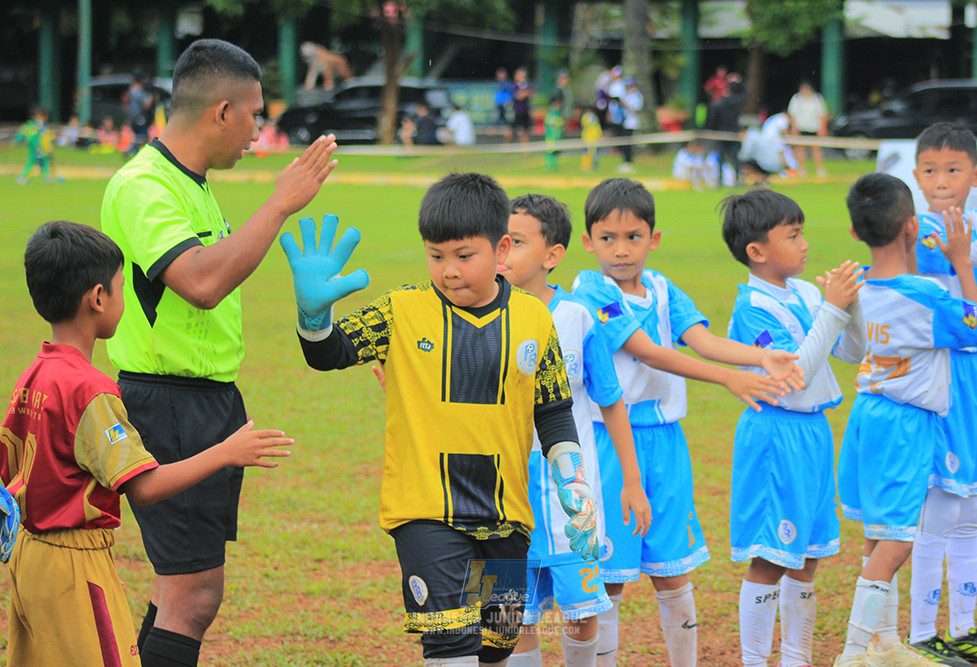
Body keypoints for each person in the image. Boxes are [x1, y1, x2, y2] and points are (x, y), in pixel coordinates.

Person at [281, 173, 602, 666]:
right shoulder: (401, 310)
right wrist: (312, 316)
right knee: (450, 640)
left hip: (505, 513)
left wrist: (574, 489)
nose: (449, 270)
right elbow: (330, 354)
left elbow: (554, 411)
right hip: (425, 509)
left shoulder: (535, 318)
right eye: (436, 256)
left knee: (496, 643)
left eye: (463, 255)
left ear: (500, 249)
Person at [100, 38, 338, 667]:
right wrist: (282, 202)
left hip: (202, 403)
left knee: (183, 588)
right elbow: (202, 283)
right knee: (194, 595)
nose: (260, 131)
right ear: (223, 111)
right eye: (256, 114)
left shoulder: (193, 186)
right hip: (168, 406)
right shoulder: (143, 185)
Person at [1, 221, 292, 666]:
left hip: (27, 557)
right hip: (73, 566)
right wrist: (226, 452)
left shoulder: (33, 374)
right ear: (98, 298)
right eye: (122, 286)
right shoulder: (91, 391)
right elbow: (143, 486)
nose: (124, 296)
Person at [570, 178, 805, 667]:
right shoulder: (591, 289)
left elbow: (701, 338)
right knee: (609, 570)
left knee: (672, 568)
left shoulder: (660, 286)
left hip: (667, 443)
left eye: (633, 237)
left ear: (653, 239)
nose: (620, 250)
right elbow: (649, 353)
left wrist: (762, 359)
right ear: (588, 242)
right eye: (607, 239)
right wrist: (728, 380)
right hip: (612, 442)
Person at [833, 173, 977, 667]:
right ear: (911, 227)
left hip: (866, 415)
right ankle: (855, 653)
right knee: (898, 539)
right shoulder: (929, 295)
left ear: (856, 232)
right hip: (905, 425)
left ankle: (884, 643)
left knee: (879, 532)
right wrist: (962, 262)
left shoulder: (852, 284)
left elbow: (846, 347)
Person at [499, 194, 651, 667]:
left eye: (516, 242)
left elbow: (611, 402)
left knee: (581, 612)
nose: (501, 253)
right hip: (501, 498)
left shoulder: (576, 318)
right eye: (497, 242)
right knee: (509, 617)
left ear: (552, 255)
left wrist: (631, 480)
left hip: (573, 501)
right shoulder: (479, 317)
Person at [720, 190, 866, 667]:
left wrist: (850, 307)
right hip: (775, 434)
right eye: (793, 234)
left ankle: (797, 658)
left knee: (807, 555)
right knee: (770, 557)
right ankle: (756, 660)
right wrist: (833, 308)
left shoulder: (804, 293)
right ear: (757, 251)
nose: (805, 244)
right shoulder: (752, 309)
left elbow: (851, 353)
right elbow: (792, 376)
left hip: (814, 434)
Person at [907, 122, 977, 665]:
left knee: (972, 510)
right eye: (930, 170)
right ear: (915, 175)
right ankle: (923, 635)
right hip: (937, 384)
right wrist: (960, 248)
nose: (941, 181)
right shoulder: (913, 230)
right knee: (938, 512)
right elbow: (973, 256)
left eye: (954, 170)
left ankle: (963, 626)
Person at [706, 75, 746, 189]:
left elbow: (712, 120)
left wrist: (712, 130)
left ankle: (720, 181)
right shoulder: (736, 103)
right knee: (735, 157)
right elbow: (745, 93)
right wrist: (739, 82)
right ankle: (739, 180)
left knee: (721, 157)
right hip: (733, 133)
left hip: (721, 134)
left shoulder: (718, 104)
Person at [787, 81, 829, 177]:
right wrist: (794, 128)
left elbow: (822, 114)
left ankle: (819, 169)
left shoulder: (817, 98)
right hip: (801, 127)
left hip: (814, 127)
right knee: (801, 148)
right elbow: (792, 115)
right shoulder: (797, 99)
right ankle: (802, 169)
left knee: (816, 148)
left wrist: (822, 128)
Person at [15, 106, 59, 184]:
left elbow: (23, 133)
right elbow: (35, 135)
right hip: (37, 146)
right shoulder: (34, 125)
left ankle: (45, 177)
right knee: (35, 161)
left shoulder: (32, 124)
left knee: (43, 161)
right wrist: (38, 146)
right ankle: (23, 177)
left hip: (38, 145)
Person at [616, 78, 643, 173]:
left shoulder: (636, 96)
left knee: (628, 143)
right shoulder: (627, 95)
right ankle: (625, 162)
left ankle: (629, 163)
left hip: (631, 123)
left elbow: (636, 110)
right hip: (625, 122)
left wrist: (625, 104)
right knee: (624, 143)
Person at [124, 75, 153, 157]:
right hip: (139, 117)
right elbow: (146, 105)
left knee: (137, 136)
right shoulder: (140, 92)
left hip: (132, 117)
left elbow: (126, 105)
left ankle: (135, 152)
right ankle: (130, 150)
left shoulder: (131, 91)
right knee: (143, 136)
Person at [509, 67, 534, 144]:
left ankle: (525, 151)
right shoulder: (514, 86)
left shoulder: (525, 85)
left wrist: (526, 93)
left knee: (525, 132)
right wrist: (526, 93)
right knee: (512, 131)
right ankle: (506, 147)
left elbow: (532, 93)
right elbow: (519, 96)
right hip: (518, 112)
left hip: (525, 111)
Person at [543, 93, 564, 171]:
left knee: (555, 152)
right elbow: (551, 124)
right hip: (551, 136)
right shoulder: (551, 114)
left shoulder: (558, 113)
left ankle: (554, 166)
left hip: (557, 136)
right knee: (550, 152)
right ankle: (548, 166)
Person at [580, 106, 603, 172]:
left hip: (595, 137)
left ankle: (594, 166)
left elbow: (597, 127)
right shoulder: (587, 117)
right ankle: (587, 166)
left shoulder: (593, 117)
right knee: (588, 152)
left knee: (595, 153)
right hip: (589, 138)